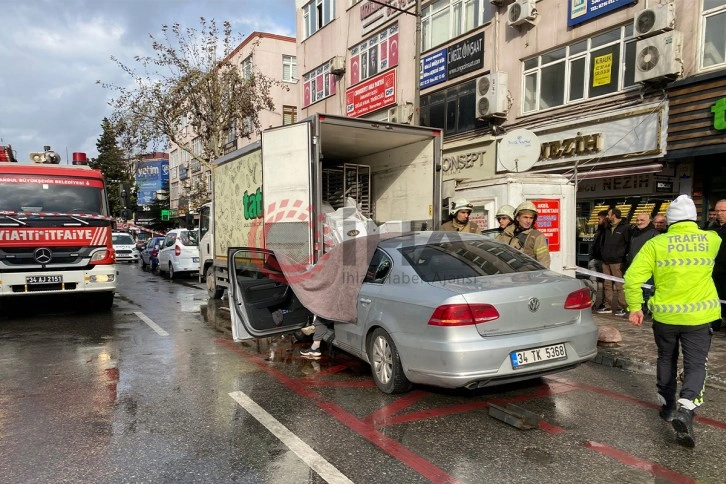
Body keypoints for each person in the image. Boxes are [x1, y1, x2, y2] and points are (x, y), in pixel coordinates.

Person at [624, 194, 721, 448]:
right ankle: (686, 408)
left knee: (666, 358)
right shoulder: (711, 239)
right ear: (694, 218)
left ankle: (667, 406)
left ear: (668, 221)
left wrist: (636, 307)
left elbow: (632, 279)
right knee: (696, 363)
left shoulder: (656, 244)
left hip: (666, 317)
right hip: (699, 317)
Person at [597, 207, 630, 317]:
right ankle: (608, 305)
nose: (607, 216)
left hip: (617, 261)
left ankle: (622, 306)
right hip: (605, 260)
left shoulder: (625, 228)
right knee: (607, 284)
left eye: (609, 214)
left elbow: (628, 244)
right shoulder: (606, 228)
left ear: (614, 215)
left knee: (619, 284)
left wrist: (623, 257)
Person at [625, 213, 659, 317]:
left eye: (642, 220)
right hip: (634, 264)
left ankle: (647, 310)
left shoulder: (654, 233)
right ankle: (637, 309)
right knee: (636, 288)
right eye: (637, 220)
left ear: (649, 221)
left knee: (647, 290)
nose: (639, 222)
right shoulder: (634, 232)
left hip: (648, 267)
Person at [500, 201, 551, 268]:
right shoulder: (506, 233)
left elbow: (544, 262)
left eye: (531, 218)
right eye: (525, 217)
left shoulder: (537, 236)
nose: (528, 221)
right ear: (517, 218)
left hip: (528, 275)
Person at [588, 210, 609, 311]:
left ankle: (605, 303)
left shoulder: (609, 231)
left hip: (604, 260)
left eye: (599, 218)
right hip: (594, 259)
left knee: (606, 284)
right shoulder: (599, 230)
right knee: (592, 282)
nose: (598, 220)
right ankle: (591, 303)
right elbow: (595, 244)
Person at [710, 199, 726, 331]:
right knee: (714, 297)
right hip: (713, 270)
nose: (719, 213)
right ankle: (715, 322)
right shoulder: (711, 227)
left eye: (722, 210)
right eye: (717, 210)